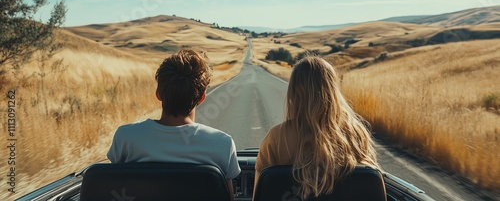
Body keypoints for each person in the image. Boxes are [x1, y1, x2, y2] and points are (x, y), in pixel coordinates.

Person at [107, 49, 240, 199]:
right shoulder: (223, 144)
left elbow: (114, 185)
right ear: (202, 97)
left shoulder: (125, 137)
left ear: (158, 94)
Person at [254, 56, 380, 199]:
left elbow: (260, 196)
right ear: (333, 91)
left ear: (294, 94)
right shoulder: (357, 135)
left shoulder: (276, 138)